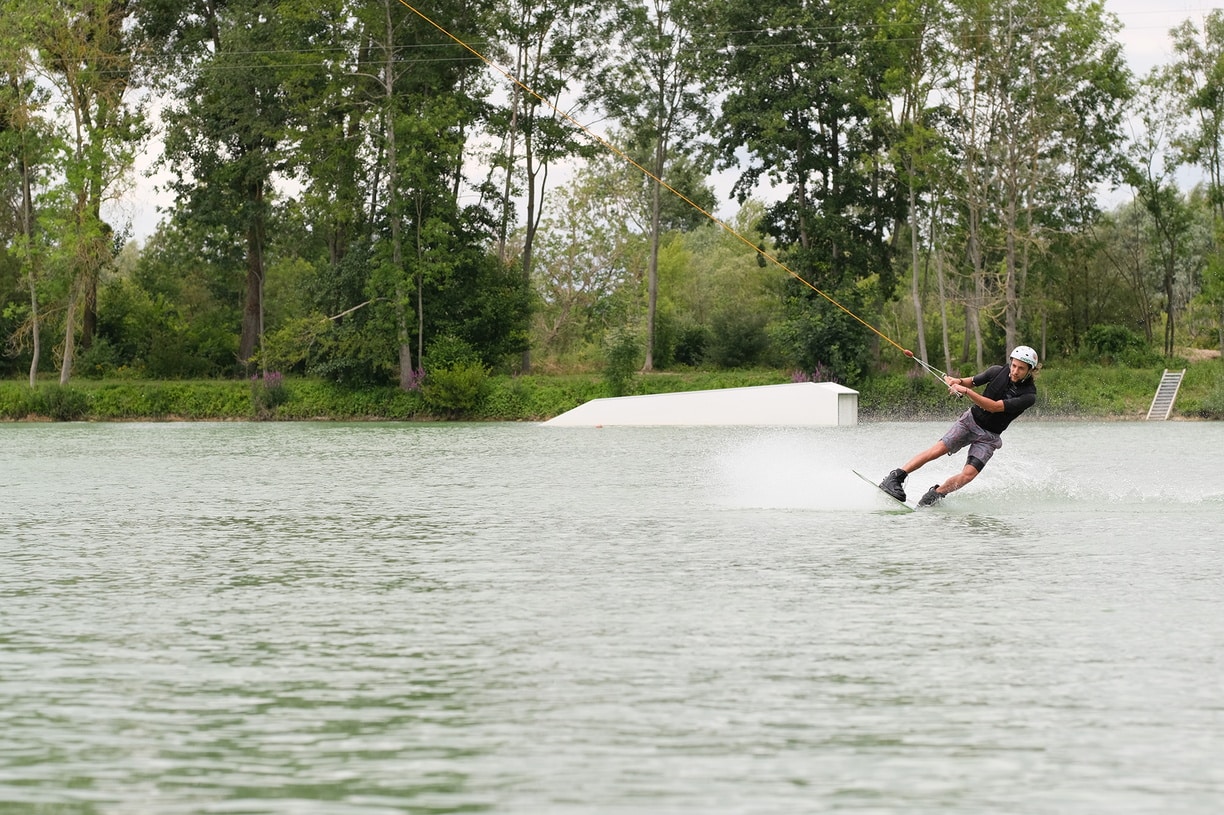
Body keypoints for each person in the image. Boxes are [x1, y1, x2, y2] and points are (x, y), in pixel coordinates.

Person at [879, 346, 1039, 507]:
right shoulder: (996, 371)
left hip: (989, 437)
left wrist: (966, 391)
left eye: (1021, 368)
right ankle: (895, 477)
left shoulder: (1028, 396)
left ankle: (934, 495)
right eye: (1014, 365)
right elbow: (971, 381)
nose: (1015, 371)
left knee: (968, 475)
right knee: (937, 450)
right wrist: (958, 382)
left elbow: (993, 406)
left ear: (1030, 370)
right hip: (970, 422)